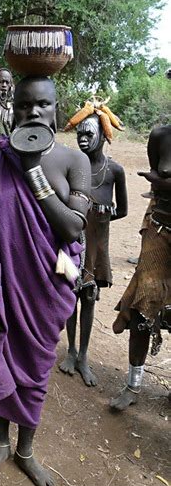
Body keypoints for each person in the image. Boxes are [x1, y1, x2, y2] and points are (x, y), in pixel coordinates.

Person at [0, 76, 90, 486]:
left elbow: (73, 227)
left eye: (42, 105)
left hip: (45, 287)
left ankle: (25, 450)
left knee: (35, 368)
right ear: (12, 108)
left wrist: (34, 169)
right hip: (1, 286)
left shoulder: (75, 161)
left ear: (56, 109)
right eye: (23, 106)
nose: (32, 113)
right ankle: (1, 442)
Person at [59, 112, 127, 386]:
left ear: (103, 137)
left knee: (88, 298)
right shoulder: (72, 164)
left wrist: (99, 215)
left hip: (97, 244)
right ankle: (70, 351)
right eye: (80, 134)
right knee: (69, 294)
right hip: (71, 239)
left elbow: (122, 210)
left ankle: (84, 355)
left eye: (89, 134)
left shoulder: (114, 170)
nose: (83, 139)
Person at [110, 124, 171, 411]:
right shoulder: (160, 136)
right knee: (143, 302)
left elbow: (159, 181)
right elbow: (153, 187)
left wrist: (163, 181)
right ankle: (133, 384)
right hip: (159, 226)